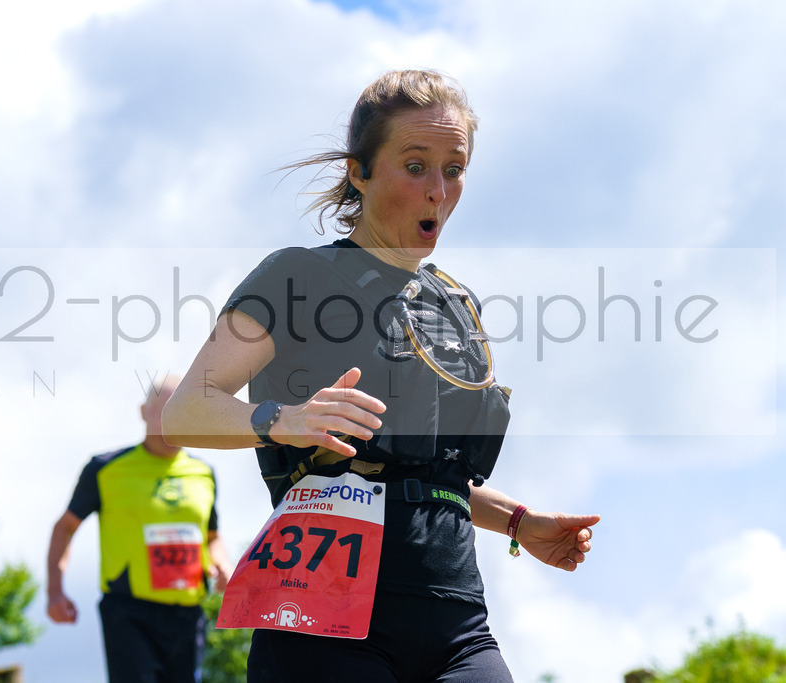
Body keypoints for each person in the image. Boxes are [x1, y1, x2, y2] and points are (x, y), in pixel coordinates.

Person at [161, 69, 600, 682]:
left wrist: (521, 524)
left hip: (456, 618)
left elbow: (417, 470)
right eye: (415, 165)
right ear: (358, 172)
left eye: (455, 168)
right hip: (321, 618)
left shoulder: (455, 303)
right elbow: (186, 410)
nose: (438, 191)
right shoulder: (296, 276)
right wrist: (284, 420)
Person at [46, 374, 233, 683]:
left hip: (188, 614)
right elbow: (64, 528)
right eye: (161, 411)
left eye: (179, 412)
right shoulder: (105, 469)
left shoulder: (203, 474)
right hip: (128, 613)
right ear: (143, 411)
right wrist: (55, 591)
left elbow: (212, 536)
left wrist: (223, 563)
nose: (168, 423)